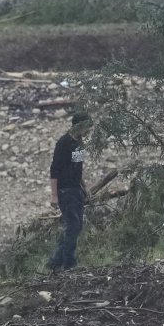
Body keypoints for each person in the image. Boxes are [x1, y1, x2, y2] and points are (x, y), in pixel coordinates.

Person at [47, 112, 92, 271]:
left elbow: (77, 168)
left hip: (76, 189)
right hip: (65, 190)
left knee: (76, 226)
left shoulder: (79, 143)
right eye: (87, 127)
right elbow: (54, 170)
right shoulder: (64, 143)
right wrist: (54, 196)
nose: (89, 131)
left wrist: (85, 188)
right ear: (79, 126)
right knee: (73, 225)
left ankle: (55, 262)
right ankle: (69, 264)